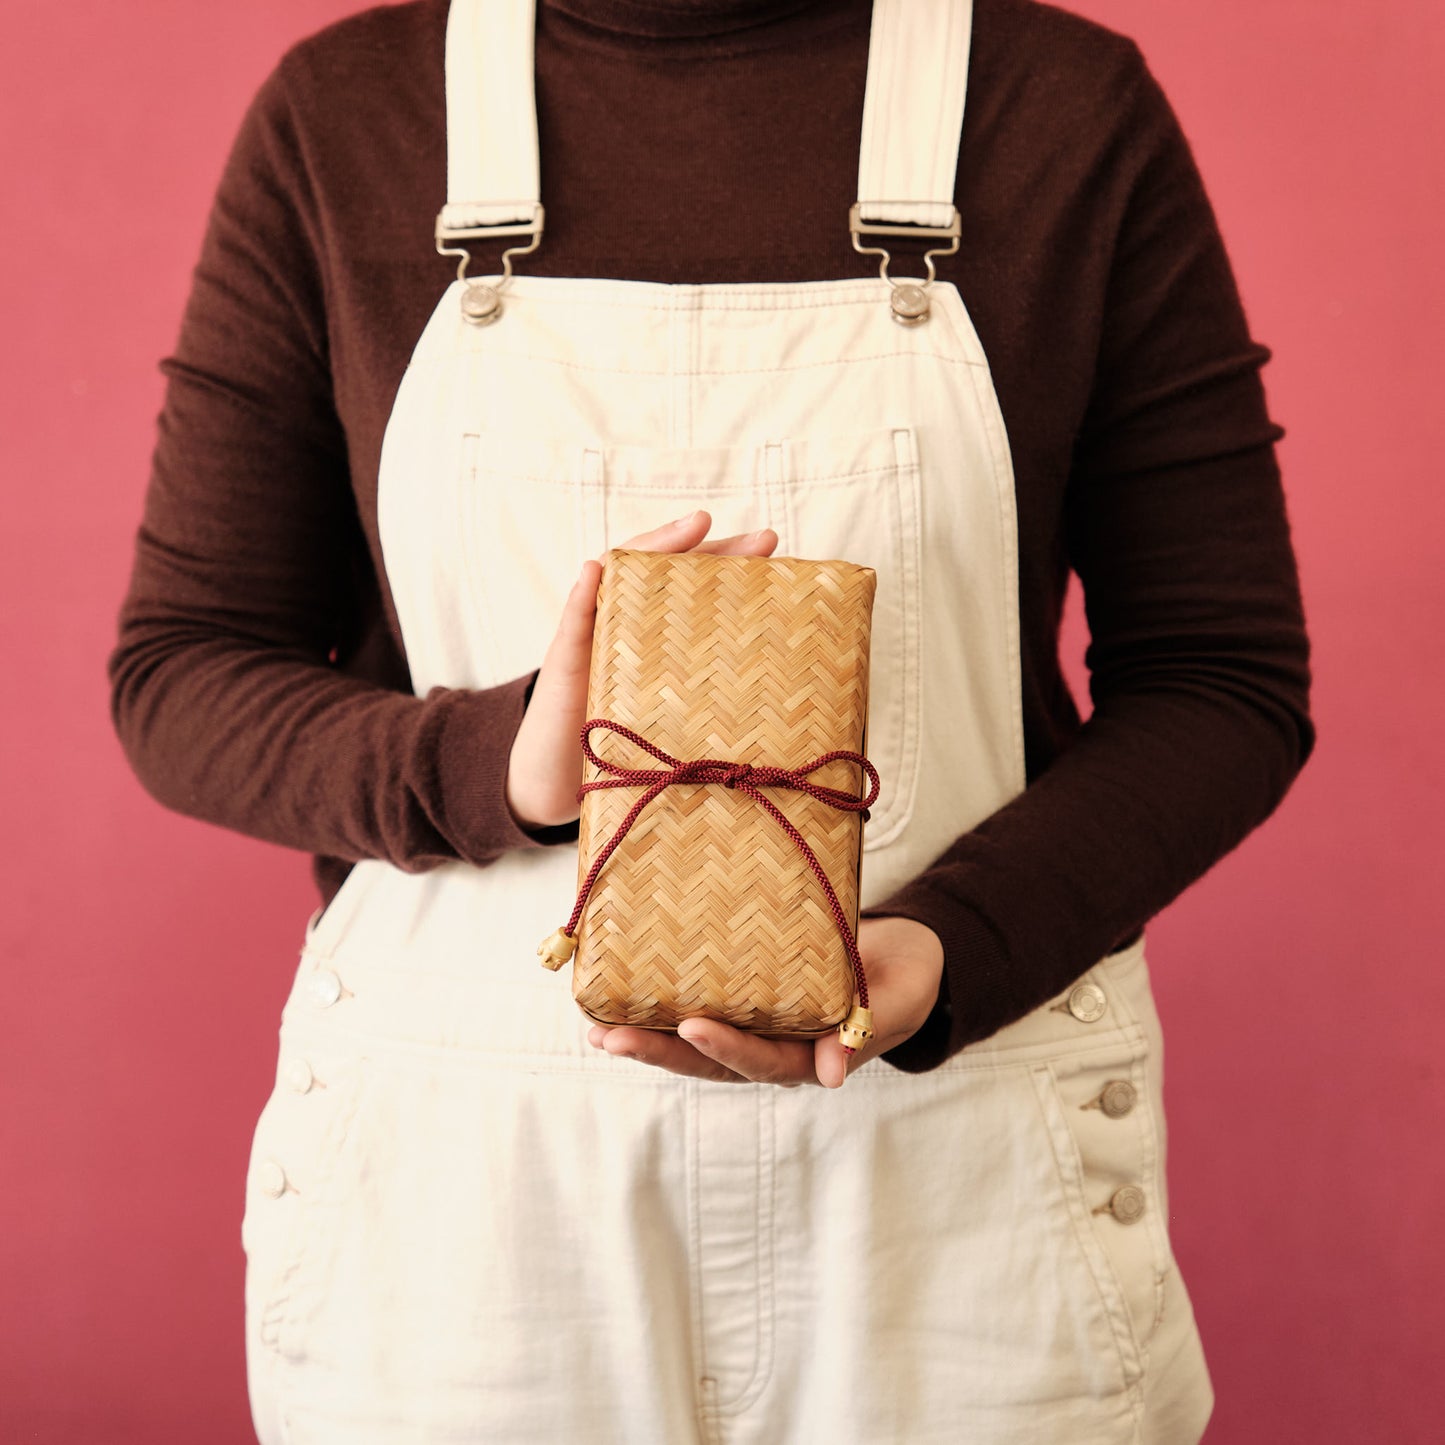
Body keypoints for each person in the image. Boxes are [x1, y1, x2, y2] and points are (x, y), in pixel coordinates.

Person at [106, 0, 1313, 1440]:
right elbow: (182, 668)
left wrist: (946, 948)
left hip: (958, 1188)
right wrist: (503, 757)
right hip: (467, 1217)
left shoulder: (1054, 106)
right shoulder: (350, 115)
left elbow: (1221, 677)